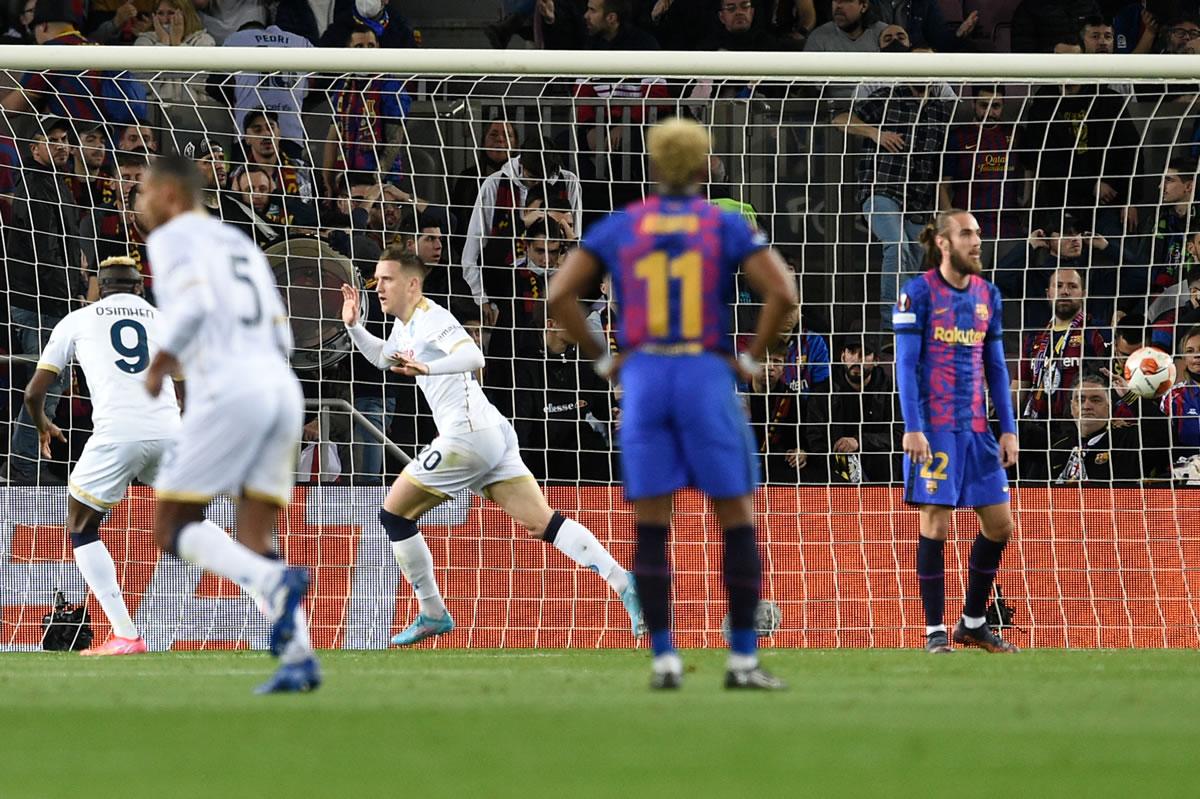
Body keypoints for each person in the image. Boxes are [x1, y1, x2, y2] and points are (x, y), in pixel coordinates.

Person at [548, 117, 798, 690]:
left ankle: (663, 659)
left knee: (652, 525)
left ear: (655, 165)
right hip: (706, 372)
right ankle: (741, 661)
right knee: (735, 518)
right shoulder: (723, 223)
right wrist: (752, 357)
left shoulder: (621, 225)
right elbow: (782, 291)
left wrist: (607, 361)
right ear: (705, 164)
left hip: (646, 377)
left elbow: (560, 295)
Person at [338, 249, 644, 646]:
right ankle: (625, 583)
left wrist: (428, 367)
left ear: (413, 284)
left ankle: (432, 612)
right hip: (492, 432)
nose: (378, 288)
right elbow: (383, 357)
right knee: (541, 522)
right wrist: (355, 326)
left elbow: (473, 355)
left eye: (387, 280)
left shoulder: (433, 318)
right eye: (376, 280)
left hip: (465, 435)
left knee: (394, 516)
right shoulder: (405, 325)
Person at [136, 155, 319, 694]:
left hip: (231, 386)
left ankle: (272, 581)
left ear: (170, 195)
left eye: (143, 192)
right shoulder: (238, 241)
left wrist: (161, 365)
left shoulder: (171, 238)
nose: (138, 203)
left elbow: (192, 309)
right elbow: (284, 332)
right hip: (282, 387)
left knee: (171, 528)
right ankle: (299, 657)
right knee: (256, 532)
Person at [20, 259, 189, 655]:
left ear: (98, 287)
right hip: (169, 430)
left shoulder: (77, 320)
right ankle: (264, 581)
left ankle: (126, 634)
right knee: (193, 522)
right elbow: (185, 381)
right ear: (139, 288)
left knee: (81, 524)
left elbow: (32, 394)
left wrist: (43, 424)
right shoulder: (164, 320)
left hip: (116, 434)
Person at [893, 209, 1020, 654]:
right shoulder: (919, 293)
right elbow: (905, 365)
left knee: (1000, 526)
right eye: (967, 234)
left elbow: (997, 367)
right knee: (936, 524)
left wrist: (1009, 430)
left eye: (979, 234)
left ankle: (972, 621)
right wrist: (913, 427)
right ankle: (933, 632)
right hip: (936, 429)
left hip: (979, 430)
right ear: (943, 243)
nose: (976, 241)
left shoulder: (989, 295)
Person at [5, 116, 85, 485]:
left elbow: (62, 248)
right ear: (34, 149)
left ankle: (27, 462)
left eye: (65, 139)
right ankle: (23, 466)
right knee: (47, 384)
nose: (61, 145)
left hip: (50, 300)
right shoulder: (36, 188)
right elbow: (45, 252)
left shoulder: (56, 184)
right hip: (40, 303)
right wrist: (70, 296)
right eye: (52, 140)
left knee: (52, 384)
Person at [803, 0, 887, 52]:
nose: (838, 6)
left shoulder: (884, 34)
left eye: (847, 1)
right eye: (835, 0)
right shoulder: (818, 37)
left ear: (864, 6)